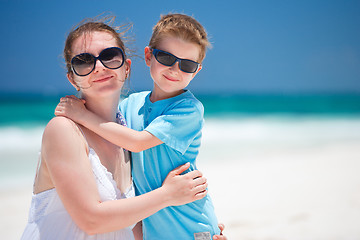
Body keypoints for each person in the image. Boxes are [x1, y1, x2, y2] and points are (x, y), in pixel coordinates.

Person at [22, 16, 227, 240]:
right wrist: (168, 194)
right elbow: (92, 221)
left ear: (126, 68)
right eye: (84, 61)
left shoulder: (126, 128)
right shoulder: (66, 129)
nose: (99, 67)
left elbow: (134, 220)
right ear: (72, 78)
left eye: (110, 56)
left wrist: (205, 230)